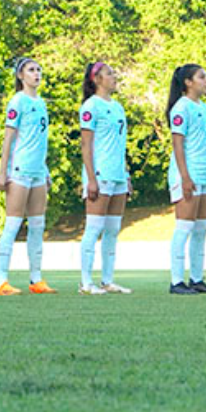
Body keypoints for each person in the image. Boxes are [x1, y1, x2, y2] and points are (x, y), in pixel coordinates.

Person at [0, 58, 56, 296]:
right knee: (13, 224)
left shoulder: (41, 103)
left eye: (39, 69)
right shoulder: (17, 101)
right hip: (19, 170)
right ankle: (2, 280)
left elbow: (39, 141)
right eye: (31, 70)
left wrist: (46, 170)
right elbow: (9, 137)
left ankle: (36, 278)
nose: (37, 74)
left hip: (38, 171)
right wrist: (3, 171)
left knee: (38, 225)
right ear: (21, 75)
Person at [78, 62, 132, 295]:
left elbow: (120, 145)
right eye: (109, 73)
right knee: (94, 228)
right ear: (97, 79)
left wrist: (126, 173)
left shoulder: (118, 107)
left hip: (118, 173)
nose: (114, 76)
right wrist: (91, 178)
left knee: (113, 228)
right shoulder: (91, 107)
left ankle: (107, 279)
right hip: (100, 174)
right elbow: (86, 144)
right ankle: (85, 282)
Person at [166, 64, 206, 295]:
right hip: (187, 173)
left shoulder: (204, 108)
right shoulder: (181, 107)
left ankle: (197, 277)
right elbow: (178, 144)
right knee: (184, 226)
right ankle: (177, 281)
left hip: (205, 173)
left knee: (202, 228)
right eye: (202, 77)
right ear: (188, 82)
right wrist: (185, 177)